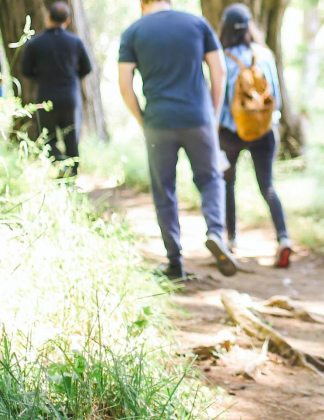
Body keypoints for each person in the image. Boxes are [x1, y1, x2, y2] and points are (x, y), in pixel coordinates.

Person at [118, 0, 238, 280]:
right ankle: (216, 232)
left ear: (143, 4)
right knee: (210, 179)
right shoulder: (197, 24)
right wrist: (214, 114)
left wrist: (142, 119)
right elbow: (219, 71)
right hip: (199, 119)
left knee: (164, 191)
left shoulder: (133, 31)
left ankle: (174, 262)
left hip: (158, 121)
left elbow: (125, 84)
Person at [217, 4, 292, 268]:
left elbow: (218, 100)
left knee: (227, 183)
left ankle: (230, 238)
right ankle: (283, 238)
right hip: (263, 131)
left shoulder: (220, 58)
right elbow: (277, 100)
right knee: (268, 186)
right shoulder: (264, 55)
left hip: (230, 132)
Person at [21, 2, 92, 177]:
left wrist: (41, 76)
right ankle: (72, 176)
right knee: (72, 138)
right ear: (67, 21)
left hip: (46, 96)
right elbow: (87, 68)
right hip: (70, 97)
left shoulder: (35, 43)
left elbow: (25, 71)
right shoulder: (75, 42)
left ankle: (60, 165)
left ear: (48, 17)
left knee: (48, 138)